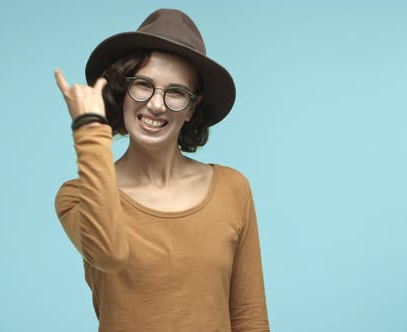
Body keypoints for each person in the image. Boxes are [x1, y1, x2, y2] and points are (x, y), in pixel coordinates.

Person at [54, 8, 270, 332]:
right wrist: (90, 127)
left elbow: (249, 316)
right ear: (123, 92)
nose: (156, 104)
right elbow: (108, 253)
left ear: (192, 107)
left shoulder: (233, 189)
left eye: (176, 92)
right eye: (143, 85)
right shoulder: (77, 196)